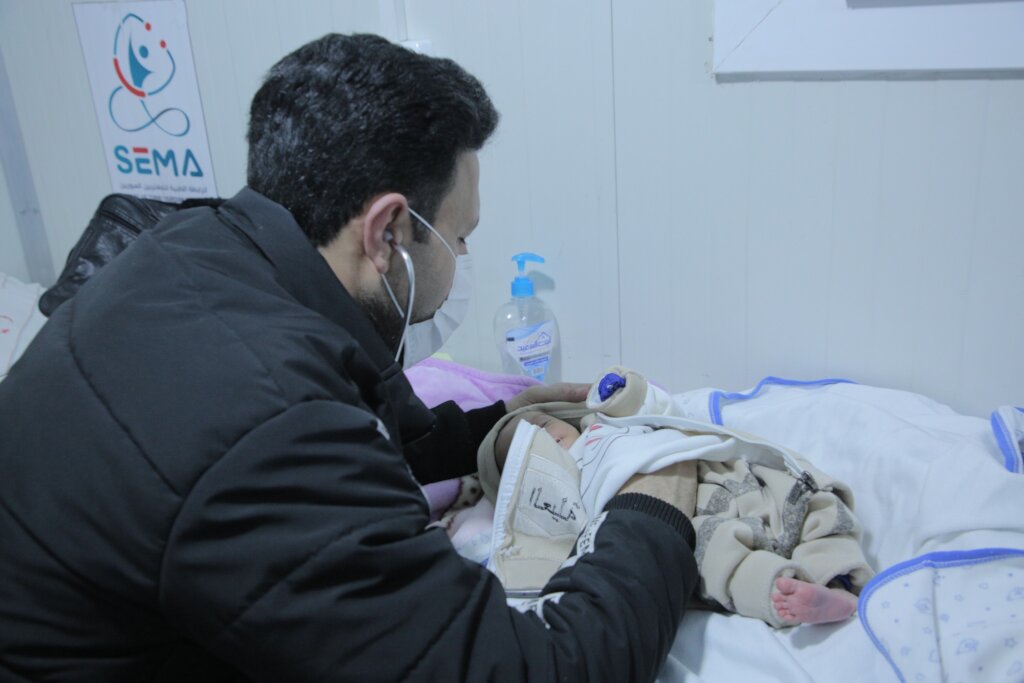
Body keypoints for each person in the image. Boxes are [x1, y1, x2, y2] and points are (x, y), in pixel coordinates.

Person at [0, 34, 699, 681]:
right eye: (459, 237)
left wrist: (485, 427)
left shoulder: (194, 245)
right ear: (389, 231)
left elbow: (333, 419)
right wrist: (653, 506)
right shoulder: (267, 423)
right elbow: (536, 670)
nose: (462, 257)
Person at [485, 368, 874, 629]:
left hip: (717, 471)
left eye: (540, 425)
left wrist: (623, 392)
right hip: (686, 515)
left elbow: (660, 409)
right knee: (714, 558)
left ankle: (836, 573)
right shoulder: (569, 492)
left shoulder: (600, 425)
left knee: (803, 496)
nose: (543, 438)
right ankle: (781, 591)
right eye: (525, 448)